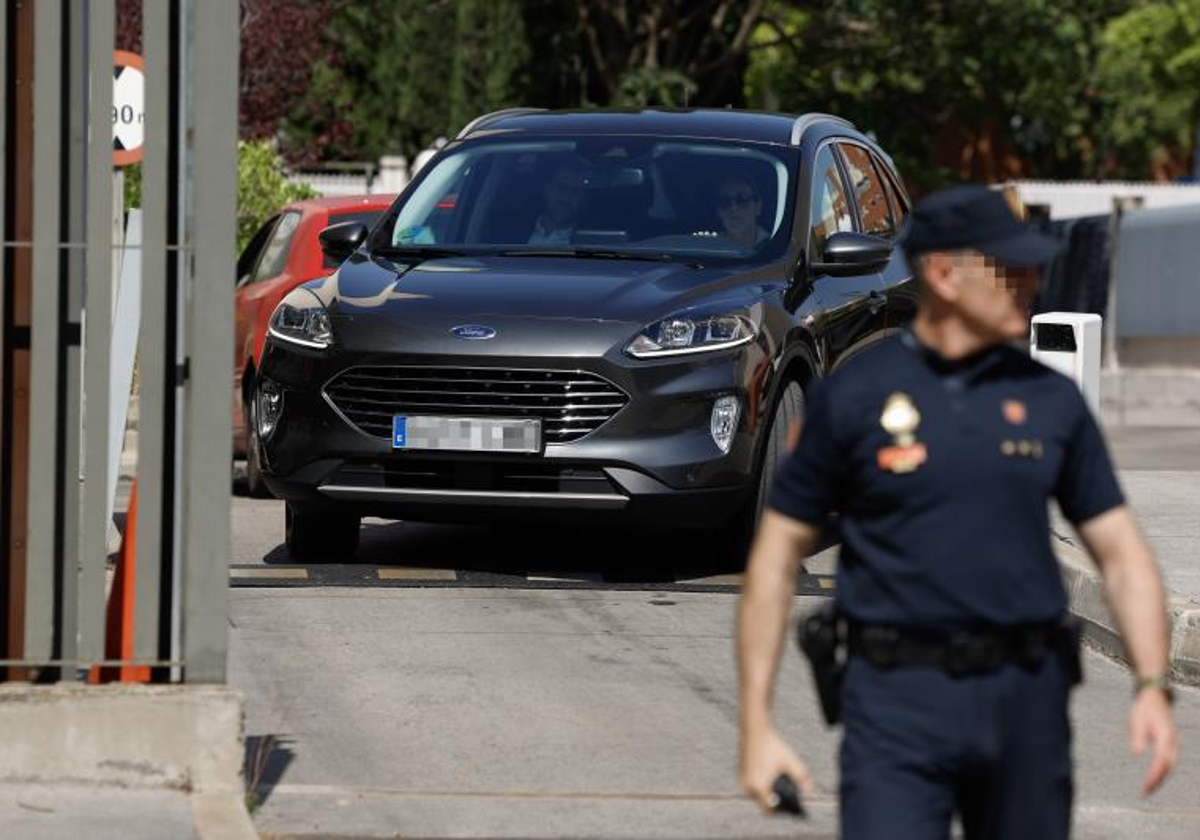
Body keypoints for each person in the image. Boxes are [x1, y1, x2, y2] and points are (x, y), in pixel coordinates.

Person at [736, 185, 1178, 839]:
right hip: (896, 704)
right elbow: (773, 563)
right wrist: (757, 728)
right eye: (1009, 267)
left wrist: (1150, 684)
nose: (1031, 280)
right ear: (942, 274)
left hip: (1025, 703)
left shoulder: (1052, 401)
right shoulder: (855, 398)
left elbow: (1121, 551)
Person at [528, 164, 587, 245]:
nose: (566, 198)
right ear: (546, 189)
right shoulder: (511, 234)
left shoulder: (589, 244)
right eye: (561, 188)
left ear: (582, 199)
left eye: (575, 192)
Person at [716, 174, 769, 248]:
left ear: (758, 207)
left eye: (742, 200)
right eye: (725, 201)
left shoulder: (775, 246)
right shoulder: (708, 248)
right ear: (718, 211)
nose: (733, 208)